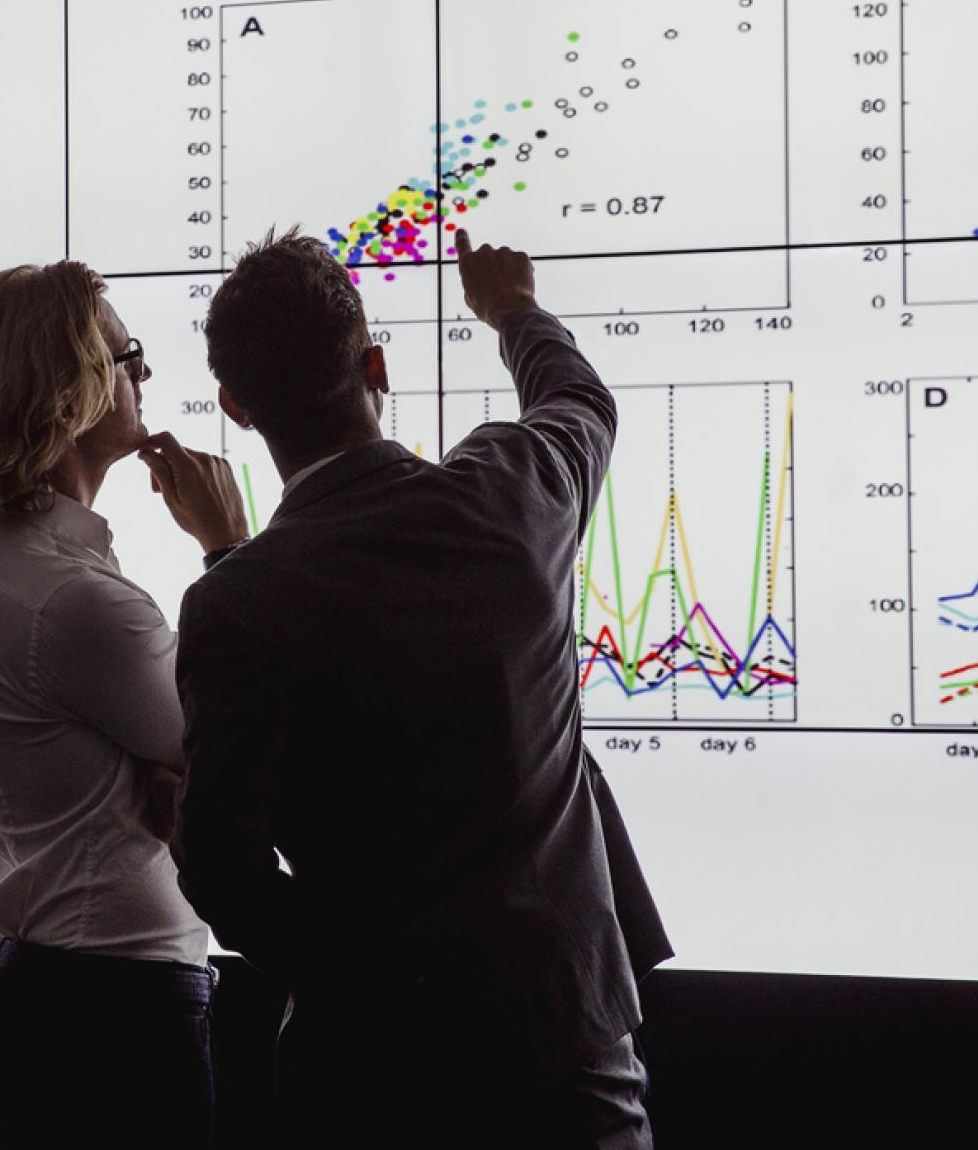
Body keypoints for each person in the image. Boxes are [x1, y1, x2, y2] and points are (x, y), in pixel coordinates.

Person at [156, 227, 673, 1146]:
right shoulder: (513, 493)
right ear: (377, 366)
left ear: (236, 407)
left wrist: (364, 973)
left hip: (373, 1071)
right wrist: (511, 311)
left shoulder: (237, 601)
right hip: (568, 1049)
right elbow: (580, 399)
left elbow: (220, 869)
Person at [0, 260, 248, 1147]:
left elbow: (190, 752)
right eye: (125, 357)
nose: (143, 374)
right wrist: (231, 551)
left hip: (51, 991)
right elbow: (248, 751)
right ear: (67, 397)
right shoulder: (76, 602)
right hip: (116, 1013)